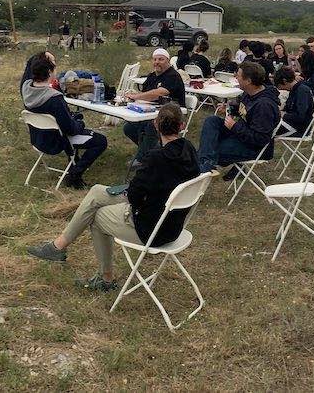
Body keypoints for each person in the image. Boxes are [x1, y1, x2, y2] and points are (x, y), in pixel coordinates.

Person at [26, 104, 200, 292]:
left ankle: (105, 279)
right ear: (181, 126)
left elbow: (134, 196)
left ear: (155, 125)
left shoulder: (156, 159)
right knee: (98, 191)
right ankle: (58, 246)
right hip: (172, 223)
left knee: (98, 216)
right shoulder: (188, 150)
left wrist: (130, 192)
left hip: (152, 228)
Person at [22, 56, 108, 189]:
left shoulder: (26, 89)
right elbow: (70, 129)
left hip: (38, 138)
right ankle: (74, 174)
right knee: (100, 141)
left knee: (71, 123)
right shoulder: (54, 98)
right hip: (57, 140)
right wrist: (80, 123)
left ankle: (73, 163)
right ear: (50, 72)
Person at [197, 61, 281, 174]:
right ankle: (206, 164)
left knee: (212, 148)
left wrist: (234, 126)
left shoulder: (264, 106)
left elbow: (260, 139)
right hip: (241, 134)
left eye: (239, 75)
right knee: (212, 121)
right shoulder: (249, 93)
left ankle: (203, 167)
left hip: (254, 148)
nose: (236, 77)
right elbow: (246, 110)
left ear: (248, 81)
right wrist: (230, 108)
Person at [120, 48, 188, 154]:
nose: (157, 62)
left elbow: (158, 93)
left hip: (172, 114)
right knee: (129, 127)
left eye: (161, 59)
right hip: (153, 111)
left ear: (168, 61)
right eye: (155, 59)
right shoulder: (152, 75)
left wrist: (136, 96)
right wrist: (132, 96)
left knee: (151, 125)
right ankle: (150, 151)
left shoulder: (173, 76)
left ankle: (144, 158)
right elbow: (145, 94)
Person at [275, 66, 314, 134]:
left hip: (298, 127)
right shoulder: (295, 89)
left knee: (264, 128)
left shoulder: (301, 91)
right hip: (293, 123)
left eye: (279, 86)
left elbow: (301, 117)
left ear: (284, 81)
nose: (280, 89)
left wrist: (283, 115)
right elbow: (290, 107)